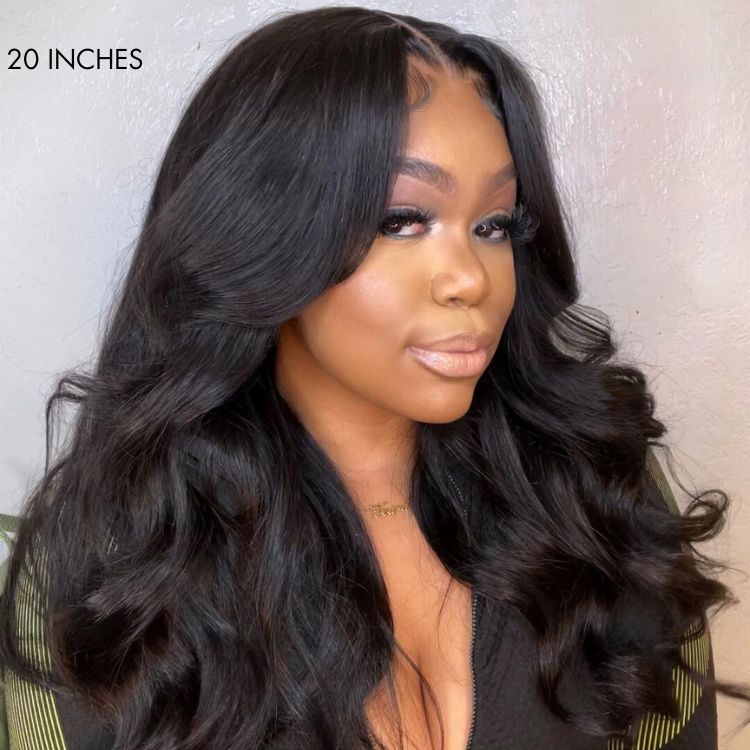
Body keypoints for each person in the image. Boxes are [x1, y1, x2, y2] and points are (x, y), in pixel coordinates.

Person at [0, 6, 747, 749]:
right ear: (263, 233)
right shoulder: (107, 564)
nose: (471, 278)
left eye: (493, 225)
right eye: (402, 221)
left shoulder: (592, 491)